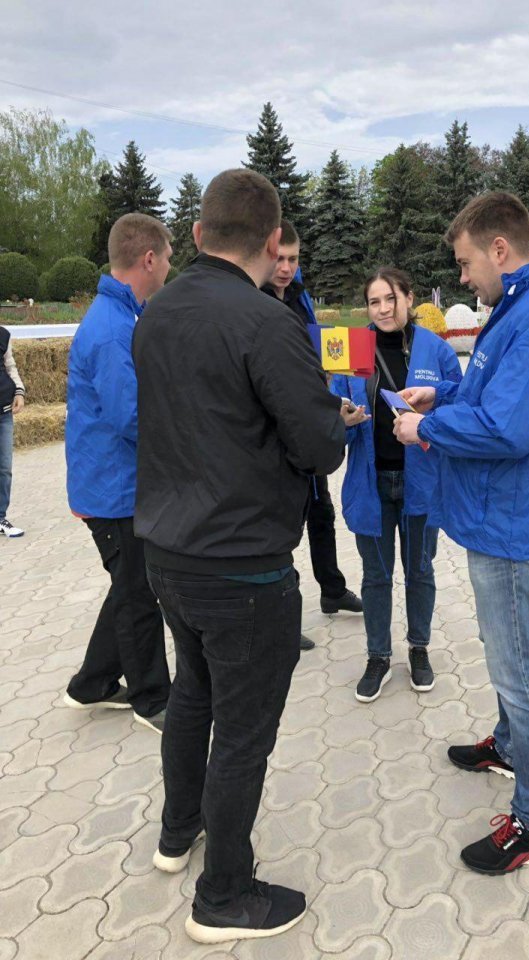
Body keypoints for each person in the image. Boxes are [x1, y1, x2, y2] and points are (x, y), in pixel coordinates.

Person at [133, 169, 345, 944]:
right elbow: (319, 446)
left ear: (194, 236)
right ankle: (223, 893)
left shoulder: (154, 314)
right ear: (269, 243)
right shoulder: (265, 323)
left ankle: (176, 831)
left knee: (193, 693)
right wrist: (337, 418)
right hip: (241, 565)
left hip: (168, 551)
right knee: (243, 733)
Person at [394, 192, 529, 875]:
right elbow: (491, 398)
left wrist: (426, 429)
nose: (461, 277)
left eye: (465, 262)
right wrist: (441, 398)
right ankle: (511, 746)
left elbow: (512, 428)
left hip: (514, 520)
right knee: (504, 646)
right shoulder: (521, 306)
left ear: (499, 251)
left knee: (521, 668)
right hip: (498, 512)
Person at [330, 268, 461, 702]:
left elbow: (458, 404)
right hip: (371, 483)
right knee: (376, 575)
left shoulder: (436, 350)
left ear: (409, 298)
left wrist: (434, 402)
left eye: (391, 299)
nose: (383, 309)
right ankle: (379, 656)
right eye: (374, 302)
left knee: (420, 570)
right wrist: (343, 420)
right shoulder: (352, 349)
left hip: (420, 481)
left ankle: (419, 649)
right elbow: (334, 415)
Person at [64, 213, 173, 732]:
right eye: (169, 257)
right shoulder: (110, 331)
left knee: (128, 584)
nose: (171, 266)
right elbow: (132, 417)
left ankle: (92, 684)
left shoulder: (122, 315)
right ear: (148, 259)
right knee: (137, 595)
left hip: (116, 484)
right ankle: (152, 700)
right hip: (113, 492)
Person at [262, 219, 362, 651]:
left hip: (309, 421)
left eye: (293, 259)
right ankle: (281, 616)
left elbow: (319, 353)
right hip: (279, 432)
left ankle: (332, 589)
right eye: (279, 259)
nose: (286, 268)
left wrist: (334, 393)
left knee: (322, 512)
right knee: (287, 522)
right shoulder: (255, 301)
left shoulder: (299, 298)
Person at [0, 326, 26, 537]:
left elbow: (10, 366)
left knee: (4, 468)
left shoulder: (3, 335)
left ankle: (0, 518)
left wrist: (19, 391)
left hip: (4, 413)